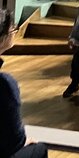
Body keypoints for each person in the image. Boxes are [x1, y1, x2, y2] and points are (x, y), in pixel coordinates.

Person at [1, 9, 49, 158]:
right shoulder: (5, 84)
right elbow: (14, 140)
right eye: (13, 29)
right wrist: (24, 141)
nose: (15, 31)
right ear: (3, 38)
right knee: (39, 149)